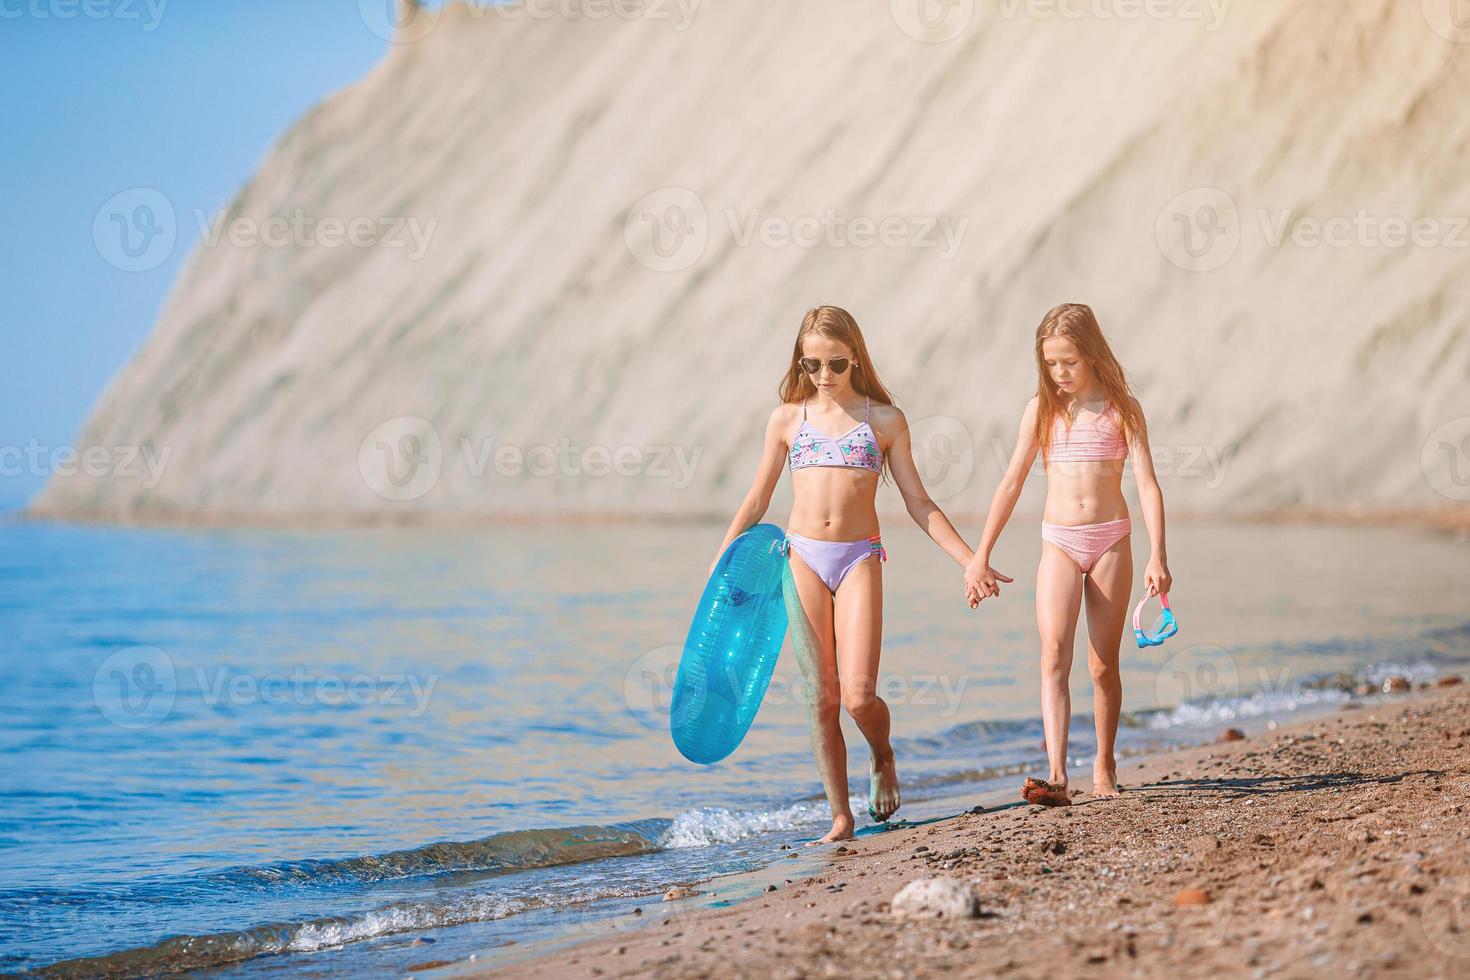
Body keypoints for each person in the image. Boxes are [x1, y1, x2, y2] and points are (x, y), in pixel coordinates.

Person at [712, 306, 974, 843]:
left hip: (858, 557)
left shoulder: (884, 421)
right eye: (811, 365)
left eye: (834, 363)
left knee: (857, 696)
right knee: (822, 699)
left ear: (854, 356)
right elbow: (759, 497)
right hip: (801, 556)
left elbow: (919, 503)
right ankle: (840, 817)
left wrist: (969, 559)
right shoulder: (787, 419)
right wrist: (725, 556)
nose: (823, 375)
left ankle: (883, 754)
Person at [963, 303, 1172, 805]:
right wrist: (980, 554)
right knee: (1053, 654)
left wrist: (1158, 554)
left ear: (1093, 354)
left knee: (1103, 665)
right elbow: (1011, 482)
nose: (1060, 374)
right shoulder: (1042, 410)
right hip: (1058, 540)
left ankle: (1104, 762)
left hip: (1111, 541)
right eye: (1051, 364)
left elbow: (1146, 483)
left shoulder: (1122, 408)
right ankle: (1057, 773)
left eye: (1069, 363)